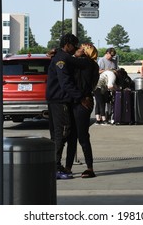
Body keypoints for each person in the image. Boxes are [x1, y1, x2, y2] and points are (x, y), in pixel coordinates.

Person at [46, 33, 92, 179]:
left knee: (59, 134)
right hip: (60, 101)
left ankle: (58, 165)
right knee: (62, 132)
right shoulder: (62, 59)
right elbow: (65, 83)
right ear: (68, 45)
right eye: (75, 46)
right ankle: (56, 166)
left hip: (56, 100)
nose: (77, 49)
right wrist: (81, 98)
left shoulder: (61, 57)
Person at [72, 43, 100, 178]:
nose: (79, 50)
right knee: (78, 136)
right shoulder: (91, 64)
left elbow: (69, 60)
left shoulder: (87, 63)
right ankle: (71, 166)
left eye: (83, 48)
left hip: (83, 102)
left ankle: (90, 167)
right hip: (81, 100)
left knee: (82, 136)